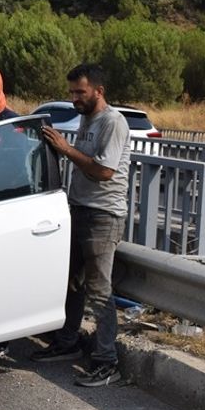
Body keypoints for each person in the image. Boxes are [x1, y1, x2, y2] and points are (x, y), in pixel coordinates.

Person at [33, 63, 132, 388]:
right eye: (72, 92)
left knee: (99, 291)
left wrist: (66, 149)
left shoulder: (113, 122)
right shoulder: (87, 118)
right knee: (72, 282)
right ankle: (67, 341)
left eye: (80, 92)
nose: (74, 97)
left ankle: (107, 362)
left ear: (98, 91)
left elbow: (105, 171)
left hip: (103, 215)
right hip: (79, 210)